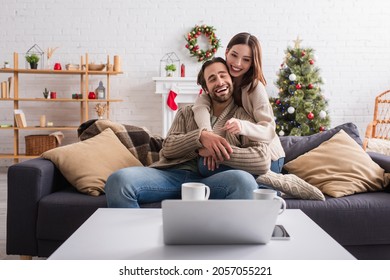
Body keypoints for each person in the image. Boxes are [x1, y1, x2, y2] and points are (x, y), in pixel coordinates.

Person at [105, 57, 271, 208]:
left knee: (245, 182)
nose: (219, 82)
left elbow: (262, 160)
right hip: (171, 176)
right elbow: (167, 148)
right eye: (212, 79)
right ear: (205, 88)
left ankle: (224, 238)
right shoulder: (186, 113)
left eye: (223, 75)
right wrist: (200, 139)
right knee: (118, 181)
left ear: (231, 79)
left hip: (211, 180)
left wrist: (217, 150)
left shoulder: (243, 118)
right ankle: (136, 239)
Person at [193, 32, 285, 174]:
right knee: (204, 166)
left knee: (207, 167)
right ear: (227, 52)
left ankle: (271, 185)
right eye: (234, 55)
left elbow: (269, 131)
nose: (237, 63)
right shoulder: (222, 77)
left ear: (252, 63)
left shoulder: (255, 87)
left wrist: (242, 126)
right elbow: (200, 106)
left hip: (268, 155)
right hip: (240, 151)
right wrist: (209, 137)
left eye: (246, 60)